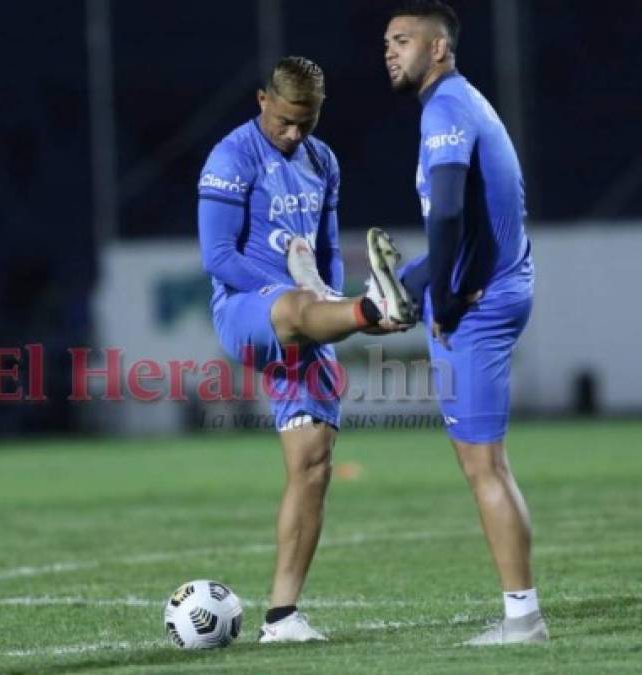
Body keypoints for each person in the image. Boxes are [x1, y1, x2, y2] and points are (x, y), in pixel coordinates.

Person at [197, 55, 414, 643]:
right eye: (286, 120)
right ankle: (371, 308)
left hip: (309, 309)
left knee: (313, 462)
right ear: (263, 100)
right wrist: (304, 298)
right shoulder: (231, 157)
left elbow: (327, 248)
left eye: (308, 121)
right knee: (295, 309)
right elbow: (217, 257)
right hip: (247, 310)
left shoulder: (322, 162)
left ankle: (282, 617)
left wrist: (329, 296)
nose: (295, 133)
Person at [382, 1, 547, 645]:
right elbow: (466, 221)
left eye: (402, 40)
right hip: (492, 287)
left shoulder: (447, 109)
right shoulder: (462, 103)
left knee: (486, 468)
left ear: (439, 49)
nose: (390, 51)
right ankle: (520, 613)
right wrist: (409, 286)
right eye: (386, 42)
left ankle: (523, 619)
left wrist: (443, 298)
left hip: (478, 304)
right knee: (487, 465)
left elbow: (447, 214)